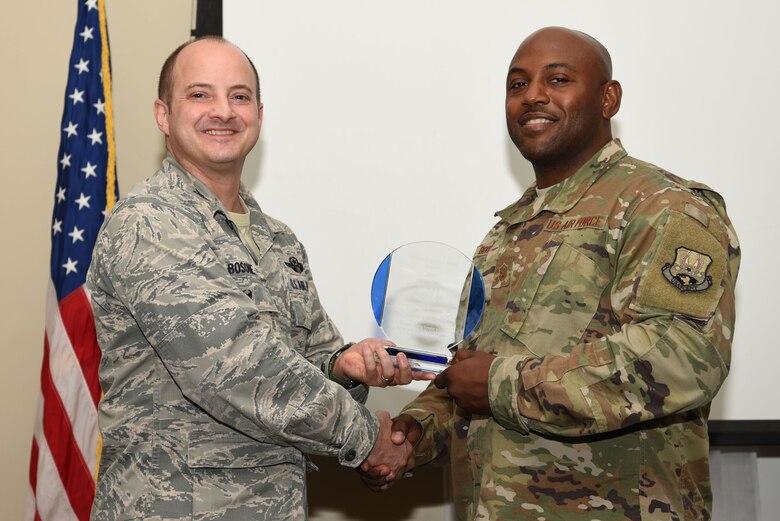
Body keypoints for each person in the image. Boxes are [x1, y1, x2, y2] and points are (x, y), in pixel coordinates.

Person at [360, 26, 740, 521]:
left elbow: (683, 358)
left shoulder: (665, 206)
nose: (532, 95)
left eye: (557, 79)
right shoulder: (504, 234)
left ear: (609, 99)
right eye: (517, 85)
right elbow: (468, 373)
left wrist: (499, 381)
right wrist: (414, 433)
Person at [87, 36, 430, 521]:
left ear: (259, 115)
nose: (223, 111)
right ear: (163, 114)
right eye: (200, 94)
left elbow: (308, 355)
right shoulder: (149, 223)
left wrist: (344, 366)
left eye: (240, 96)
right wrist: (368, 438)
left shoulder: (279, 240)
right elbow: (236, 368)